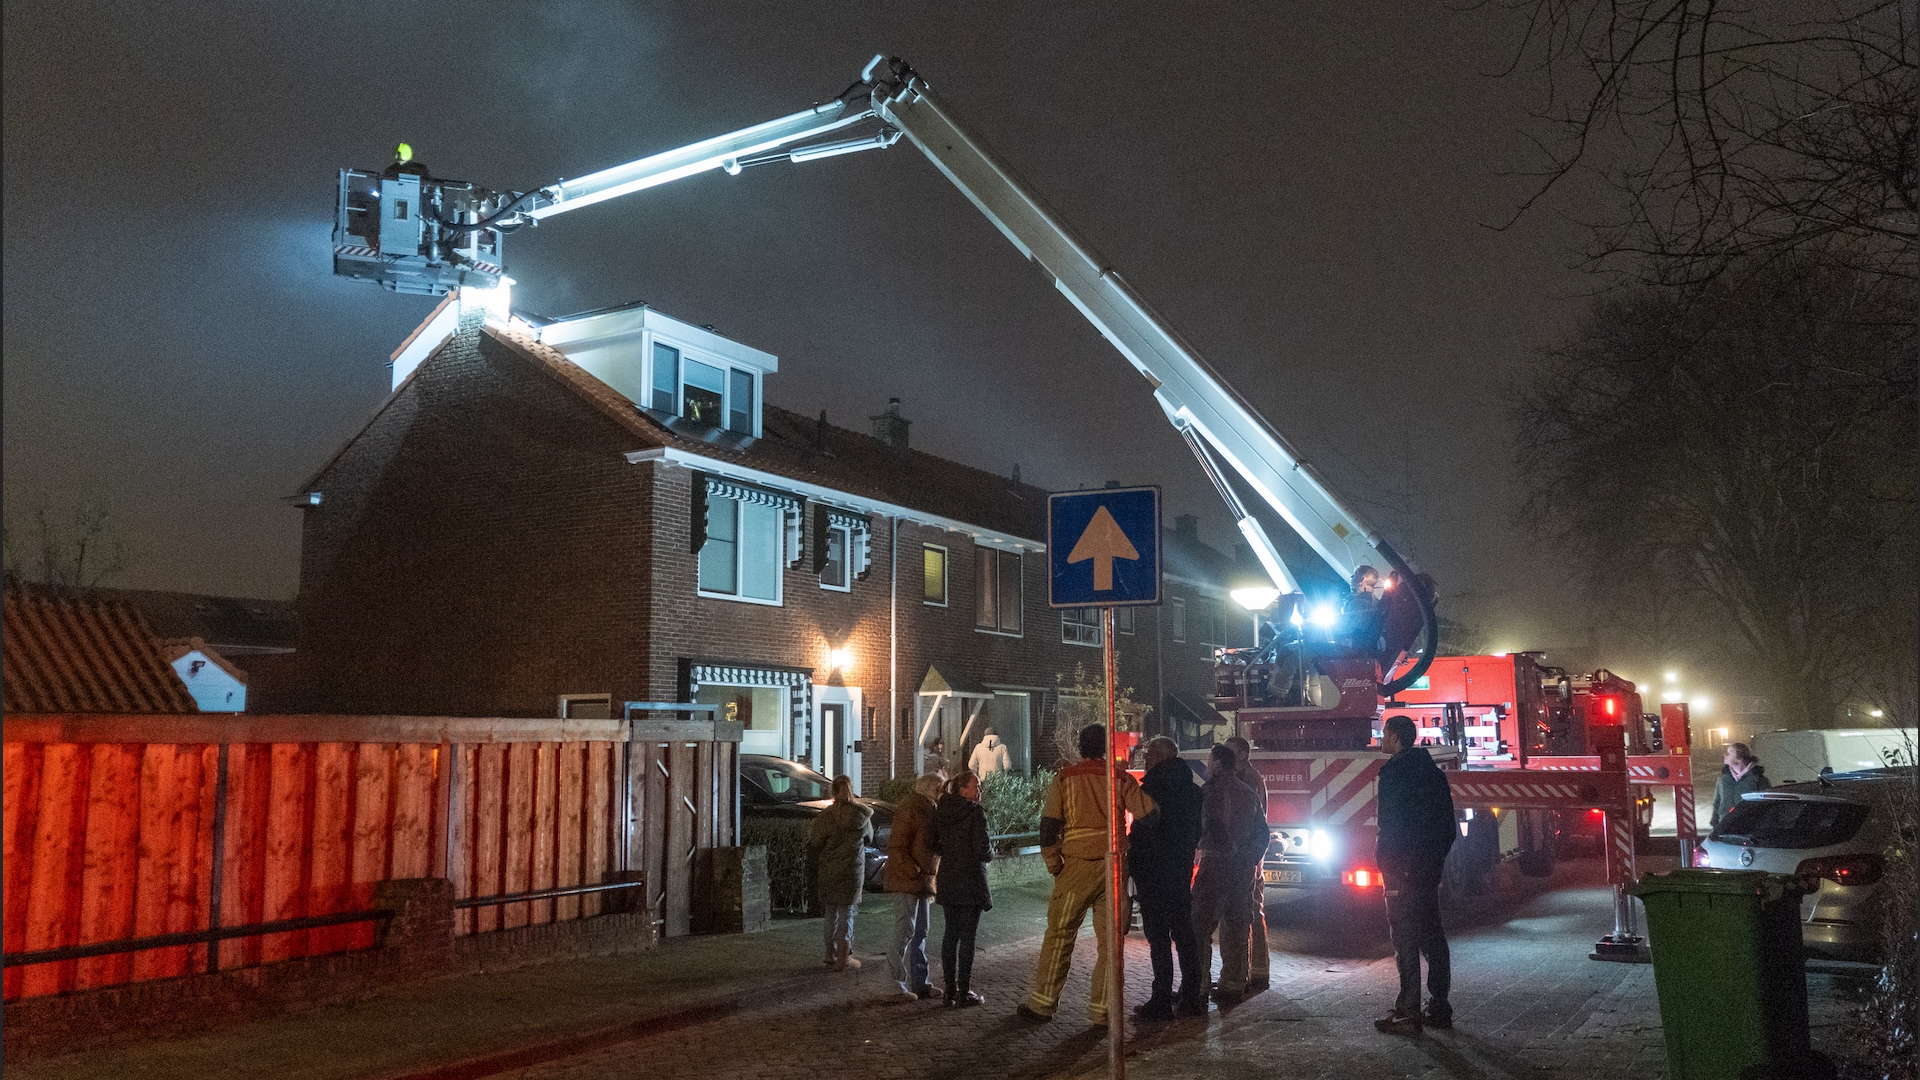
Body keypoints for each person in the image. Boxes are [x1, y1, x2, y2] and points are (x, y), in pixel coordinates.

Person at [1016, 723, 1157, 1026]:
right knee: (1111, 943)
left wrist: (1055, 864)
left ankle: (1042, 1003)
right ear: (1107, 748)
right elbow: (1151, 815)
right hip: (1115, 867)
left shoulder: (1064, 778)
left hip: (1076, 868)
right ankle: (1104, 1011)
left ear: (1080, 747)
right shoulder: (1119, 778)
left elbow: (1048, 827)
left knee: (1060, 934)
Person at [1373, 714, 1457, 1034]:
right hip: (1426, 870)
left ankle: (1408, 1011)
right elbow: (1447, 828)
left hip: (1401, 870)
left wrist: (1389, 863)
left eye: (1384, 734)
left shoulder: (1394, 775)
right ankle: (1439, 1006)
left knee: (1405, 939)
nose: (1381, 739)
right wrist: (1433, 863)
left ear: (1395, 738)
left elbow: (1390, 827)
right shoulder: (1434, 774)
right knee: (1432, 934)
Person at [1128, 736, 1206, 1021]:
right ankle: (1191, 995)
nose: (1146, 759)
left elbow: (1144, 831)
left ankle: (1161, 999)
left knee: (1158, 937)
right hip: (1180, 870)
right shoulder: (1193, 791)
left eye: (1150, 754)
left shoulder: (1152, 790)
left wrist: (1134, 858)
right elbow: (1196, 831)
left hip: (1153, 871)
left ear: (1160, 757)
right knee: (1184, 932)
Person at [1191, 744, 1264, 1006]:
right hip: (1242, 871)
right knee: (1236, 927)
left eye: (1210, 761)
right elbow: (1262, 833)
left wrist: (1226, 849)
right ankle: (1233, 985)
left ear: (1219, 764)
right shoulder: (1248, 793)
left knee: (1199, 927)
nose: (1208, 765)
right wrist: (1249, 858)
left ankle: (1198, 985)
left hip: (1215, 867)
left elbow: (1210, 824)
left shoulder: (1210, 792)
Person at [931, 770, 993, 1007]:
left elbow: (933, 842)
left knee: (951, 934)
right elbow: (982, 848)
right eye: (975, 786)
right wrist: (990, 853)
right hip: (970, 879)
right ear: (963, 789)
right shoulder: (975, 813)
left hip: (949, 877)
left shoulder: (942, 811)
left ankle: (949, 990)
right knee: (968, 937)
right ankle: (964, 990)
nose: (979, 790)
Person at [883, 772, 946, 1002]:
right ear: (932, 789)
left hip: (920, 881)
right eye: (941, 788)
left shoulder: (927, 808)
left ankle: (920, 982)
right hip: (909, 881)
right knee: (905, 930)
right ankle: (893, 984)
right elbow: (897, 846)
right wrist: (915, 871)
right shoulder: (912, 809)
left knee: (919, 931)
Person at [806, 775, 873, 972]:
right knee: (847, 912)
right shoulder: (861, 815)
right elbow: (869, 838)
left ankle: (830, 954)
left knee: (830, 913)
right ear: (851, 789)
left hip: (829, 868)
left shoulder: (826, 816)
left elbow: (816, 842)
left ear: (833, 791)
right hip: (852, 870)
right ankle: (844, 958)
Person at [1226, 736, 1271, 993]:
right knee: (1252, 908)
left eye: (1231, 752)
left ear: (1242, 755)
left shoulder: (1248, 779)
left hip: (1247, 854)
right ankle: (1257, 971)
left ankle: (1251, 972)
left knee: (1250, 909)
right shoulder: (1248, 776)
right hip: (1250, 853)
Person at [1710, 742, 1770, 827]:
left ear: (1739, 758)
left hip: (1749, 828)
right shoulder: (1723, 779)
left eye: (1729, 753)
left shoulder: (1759, 780)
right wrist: (1714, 823)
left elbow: (1767, 805)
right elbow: (1717, 802)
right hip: (1725, 826)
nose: (1725, 755)